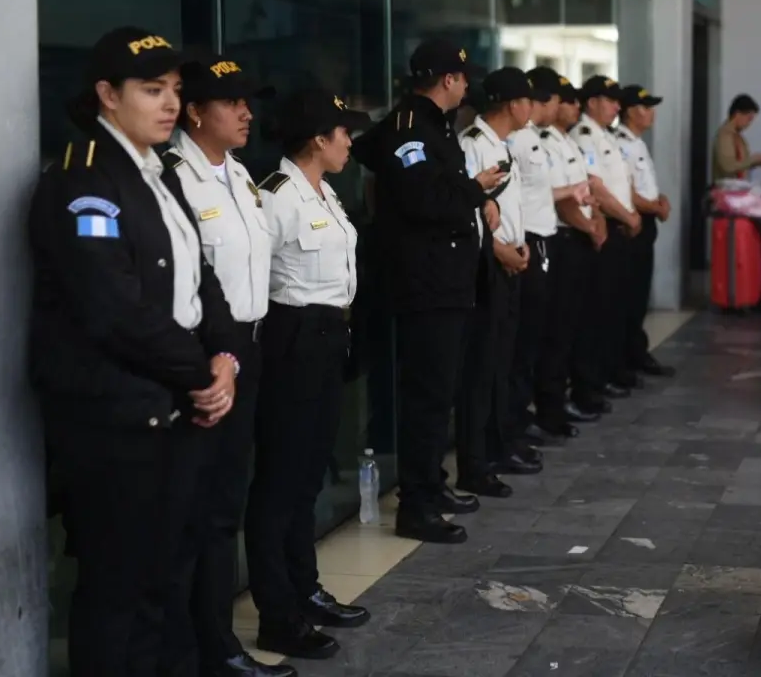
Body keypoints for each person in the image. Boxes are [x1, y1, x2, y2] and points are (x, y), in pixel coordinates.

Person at [28, 26, 239, 676]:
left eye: (175, 89)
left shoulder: (158, 173)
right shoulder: (83, 178)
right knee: (120, 588)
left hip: (175, 407)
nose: (171, 103)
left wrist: (225, 357)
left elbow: (202, 280)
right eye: (153, 90)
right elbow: (113, 311)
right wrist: (199, 374)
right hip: (119, 419)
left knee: (166, 579)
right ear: (106, 96)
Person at [161, 58, 292, 677]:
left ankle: (214, 641)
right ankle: (207, 649)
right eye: (232, 101)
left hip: (250, 347)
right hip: (203, 357)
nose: (246, 112)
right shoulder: (174, 176)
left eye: (249, 100)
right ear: (194, 113)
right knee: (200, 511)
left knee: (225, 504)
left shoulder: (238, 174)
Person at [350, 39, 504, 544]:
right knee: (427, 394)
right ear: (446, 80)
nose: (465, 86)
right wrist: (475, 188)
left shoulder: (432, 125)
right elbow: (422, 197)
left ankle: (431, 484)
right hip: (427, 281)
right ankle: (416, 504)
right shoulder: (410, 127)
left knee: (440, 393)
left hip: (447, 278)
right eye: (461, 78)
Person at [244, 88, 372, 660]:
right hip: (291, 339)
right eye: (344, 133)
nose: (350, 141)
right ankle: (278, 613)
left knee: (306, 478)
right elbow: (252, 280)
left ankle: (304, 589)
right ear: (319, 139)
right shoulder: (274, 197)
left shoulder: (325, 194)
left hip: (326, 339)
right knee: (280, 482)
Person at [456, 66, 546, 498]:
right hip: (487, 266)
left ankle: (500, 442)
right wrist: (501, 251)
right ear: (513, 104)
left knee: (503, 362)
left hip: (510, 261)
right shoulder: (472, 145)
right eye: (528, 99)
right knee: (482, 368)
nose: (532, 106)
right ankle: (478, 458)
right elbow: (470, 214)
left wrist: (519, 246)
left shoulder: (502, 145)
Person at [508, 67, 581, 444]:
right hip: (525, 243)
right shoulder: (516, 141)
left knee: (542, 335)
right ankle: (516, 423)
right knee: (523, 344)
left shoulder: (537, 138)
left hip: (544, 241)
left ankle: (531, 414)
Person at [534, 78, 605, 435]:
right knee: (557, 330)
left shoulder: (565, 141)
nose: (572, 107)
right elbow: (563, 199)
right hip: (562, 239)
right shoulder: (542, 141)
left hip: (578, 238)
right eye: (566, 100)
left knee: (575, 325)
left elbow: (586, 190)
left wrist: (599, 221)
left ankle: (563, 400)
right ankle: (550, 408)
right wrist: (590, 228)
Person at [572, 75, 640, 399]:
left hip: (619, 228)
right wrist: (627, 216)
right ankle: (590, 381)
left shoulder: (605, 135)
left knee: (614, 308)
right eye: (610, 100)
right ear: (592, 102)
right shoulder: (585, 136)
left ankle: (609, 372)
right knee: (596, 311)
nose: (617, 107)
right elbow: (596, 187)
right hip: (603, 229)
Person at [615, 84, 676, 379]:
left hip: (646, 220)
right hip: (632, 224)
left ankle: (636, 353)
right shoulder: (620, 143)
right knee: (628, 295)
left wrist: (659, 201)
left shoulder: (637, 142)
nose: (651, 114)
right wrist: (655, 207)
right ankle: (625, 357)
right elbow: (626, 192)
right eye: (645, 107)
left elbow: (644, 187)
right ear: (628, 112)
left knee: (640, 295)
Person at [712, 94, 761, 181]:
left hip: (740, 187)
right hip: (727, 190)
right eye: (749, 119)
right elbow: (728, 167)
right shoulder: (725, 135)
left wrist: (755, 163)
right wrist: (752, 160)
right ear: (737, 114)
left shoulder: (739, 138)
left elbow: (741, 165)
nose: (749, 124)